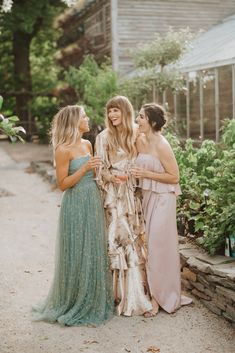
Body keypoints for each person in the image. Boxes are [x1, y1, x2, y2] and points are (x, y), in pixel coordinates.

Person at [32, 105, 114, 326]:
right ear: (74, 121)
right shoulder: (63, 149)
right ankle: (73, 301)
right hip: (75, 203)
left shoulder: (88, 143)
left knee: (93, 248)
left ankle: (94, 298)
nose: (88, 119)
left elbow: (95, 172)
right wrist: (85, 168)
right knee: (77, 250)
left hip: (92, 200)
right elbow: (62, 184)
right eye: (84, 116)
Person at [131, 103, 192, 316]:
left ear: (152, 122)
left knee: (157, 246)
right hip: (148, 198)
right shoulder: (139, 140)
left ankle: (157, 299)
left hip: (164, 199)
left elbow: (174, 177)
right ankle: (155, 292)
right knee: (152, 247)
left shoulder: (162, 145)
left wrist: (147, 175)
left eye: (140, 117)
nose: (137, 120)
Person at [95, 95, 152, 316]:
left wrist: (135, 178)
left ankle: (138, 295)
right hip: (113, 196)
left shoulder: (136, 134)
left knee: (135, 240)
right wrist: (112, 178)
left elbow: (147, 159)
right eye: (109, 111)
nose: (112, 115)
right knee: (118, 240)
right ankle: (117, 296)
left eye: (116, 111)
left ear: (125, 112)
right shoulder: (102, 137)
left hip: (132, 194)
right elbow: (99, 170)